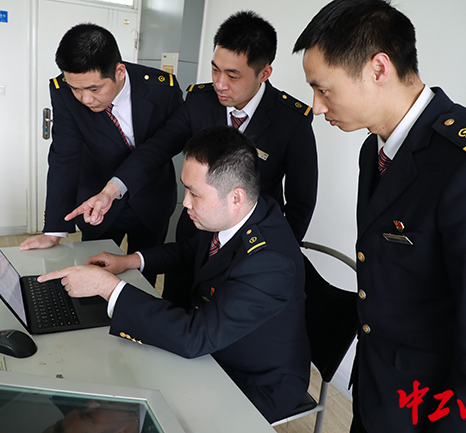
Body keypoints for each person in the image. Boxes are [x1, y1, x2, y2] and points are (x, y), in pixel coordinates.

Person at [293, 1, 466, 432]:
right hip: (378, 392)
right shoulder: (374, 150)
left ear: (378, 68)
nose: (316, 106)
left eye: (323, 89)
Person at [38, 126, 311, 423]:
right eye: (186, 189)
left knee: (132, 404)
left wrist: (109, 288)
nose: (186, 203)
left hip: (254, 380)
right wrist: (130, 260)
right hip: (214, 346)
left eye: (195, 193)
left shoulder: (270, 261)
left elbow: (195, 337)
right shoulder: (242, 212)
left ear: (236, 197)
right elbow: (190, 250)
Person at [65, 11, 318, 305]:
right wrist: (111, 191)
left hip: (251, 248)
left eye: (232, 75)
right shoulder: (200, 101)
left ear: (264, 73)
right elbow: (156, 149)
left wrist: (280, 254)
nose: (219, 84)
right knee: (175, 304)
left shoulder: (291, 120)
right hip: (192, 240)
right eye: (215, 70)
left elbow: (300, 203)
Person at [19, 23, 183, 284]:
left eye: (94, 89)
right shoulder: (63, 92)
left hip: (151, 197)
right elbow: (64, 156)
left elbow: (168, 144)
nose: (85, 99)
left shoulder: (162, 89)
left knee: (144, 277)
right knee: (94, 276)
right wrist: (55, 230)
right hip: (97, 205)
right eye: (76, 89)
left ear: (119, 72)